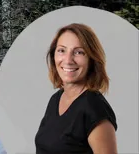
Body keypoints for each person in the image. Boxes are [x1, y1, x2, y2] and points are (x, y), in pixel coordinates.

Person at [34, 23, 118, 154]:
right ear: (53, 55)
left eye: (79, 52)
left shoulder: (94, 108)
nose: (68, 60)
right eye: (62, 50)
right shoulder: (56, 99)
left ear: (92, 59)